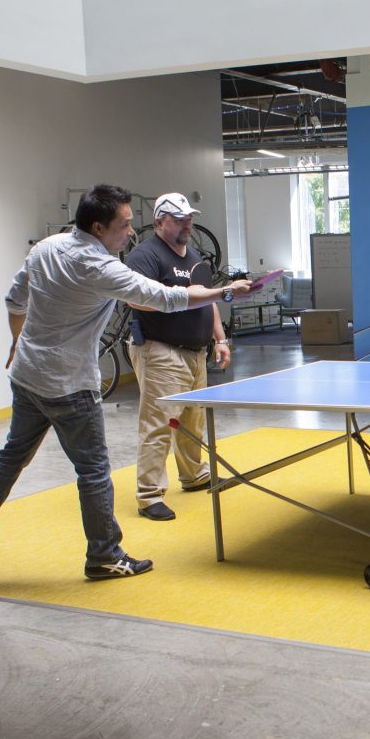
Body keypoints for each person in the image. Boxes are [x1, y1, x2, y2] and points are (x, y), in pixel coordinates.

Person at [0, 184, 253, 581]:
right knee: (93, 469)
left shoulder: (46, 248)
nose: (131, 232)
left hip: (28, 375)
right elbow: (164, 298)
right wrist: (226, 292)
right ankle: (104, 554)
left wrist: (17, 341)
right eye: (124, 225)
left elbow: (15, 300)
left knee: (11, 457)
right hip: (69, 384)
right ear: (98, 227)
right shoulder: (100, 268)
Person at [123, 192, 234, 521]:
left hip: (195, 352)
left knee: (192, 420)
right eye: (179, 219)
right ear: (159, 221)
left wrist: (220, 339)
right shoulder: (145, 256)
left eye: (189, 219)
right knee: (158, 424)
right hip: (160, 350)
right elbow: (136, 299)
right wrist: (181, 296)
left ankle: (194, 475)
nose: (187, 225)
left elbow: (208, 300)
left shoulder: (193, 256)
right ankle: (149, 494)